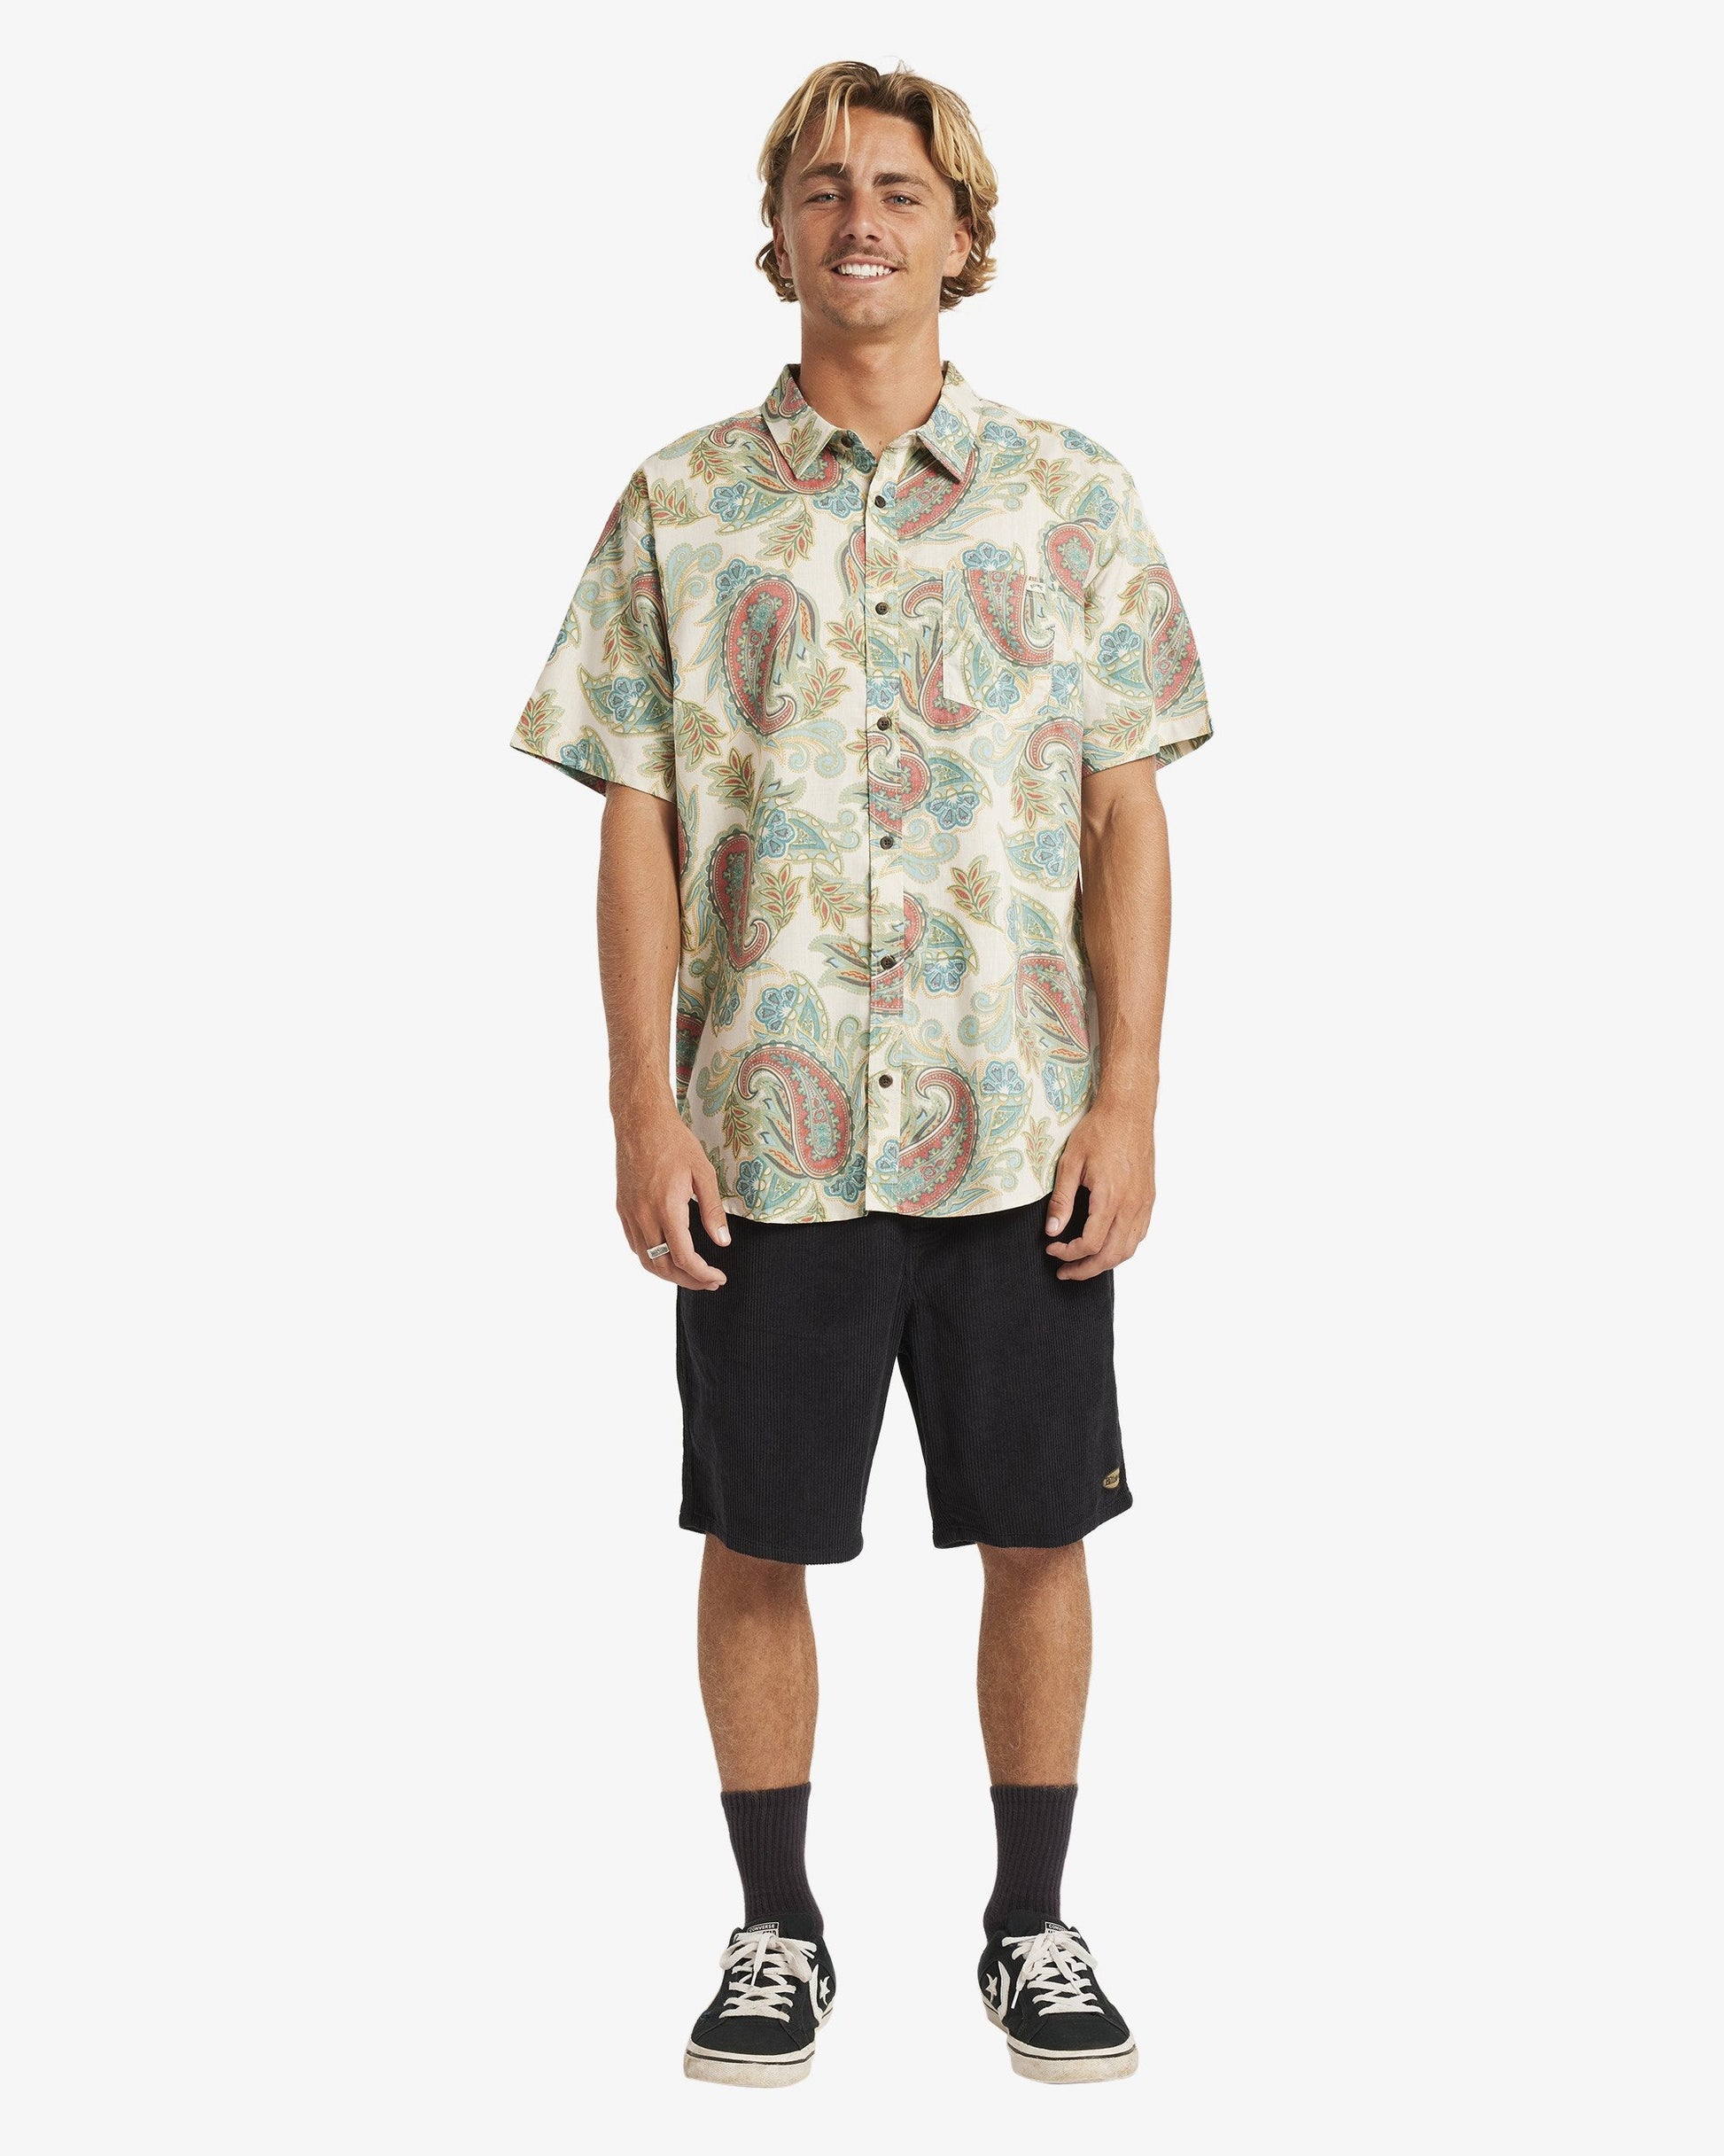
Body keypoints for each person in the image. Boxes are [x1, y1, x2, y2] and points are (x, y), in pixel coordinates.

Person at [508, 58, 1213, 2087]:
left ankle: (1028, 1922)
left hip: (1016, 1121)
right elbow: (634, 812)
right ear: (780, 229)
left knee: (1039, 1528)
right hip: (771, 1130)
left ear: (961, 231)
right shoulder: (681, 503)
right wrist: (642, 1102)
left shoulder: (1072, 497)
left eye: (899, 189)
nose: (860, 220)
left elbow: (1126, 812)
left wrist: (1129, 1097)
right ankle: (777, 1928)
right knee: (760, 1536)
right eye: (822, 188)